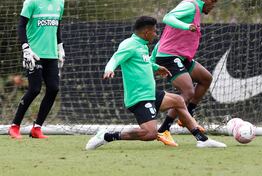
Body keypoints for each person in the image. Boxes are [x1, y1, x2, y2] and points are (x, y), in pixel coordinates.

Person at [85, 16, 226, 150]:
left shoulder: (142, 46)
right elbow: (116, 58)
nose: (156, 34)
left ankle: (202, 140)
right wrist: (109, 69)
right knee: (150, 134)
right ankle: (107, 136)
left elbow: (143, 61)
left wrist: (156, 67)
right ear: (146, 32)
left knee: (178, 101)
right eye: (154, 31)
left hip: (150, 93)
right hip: (139, 97)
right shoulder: (129, 44)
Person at [153, 0, 221, 146]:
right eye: (213, 0)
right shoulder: (190, 6)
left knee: (206, 78)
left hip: (181, 57)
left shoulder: (196, 10)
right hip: (169, 56)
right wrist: (186, 26)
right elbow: (167, 17)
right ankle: (164, 130)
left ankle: (186, 116)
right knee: (188, 91)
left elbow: (165, 37)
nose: (214, 5)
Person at [8, 0, 65, 139]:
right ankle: (15, 126)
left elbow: (57, 27)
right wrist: (26, 48)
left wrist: (60, 47)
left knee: (54, 88)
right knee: (34, 89)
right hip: (34, 54)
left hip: (51, 54)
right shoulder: (32, 1)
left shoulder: (60, 2)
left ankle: (37, 128)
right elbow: (21, 26)